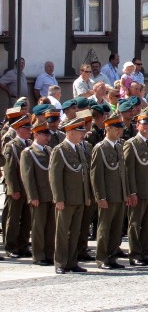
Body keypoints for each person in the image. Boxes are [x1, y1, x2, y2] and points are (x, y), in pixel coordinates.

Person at [48, 116, 92, 274]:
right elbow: (55, 176)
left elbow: (84, 175)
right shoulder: (59, 150)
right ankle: (60, 262)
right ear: (70, 132)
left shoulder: (79, 149)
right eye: (79, 131)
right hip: (66, 199)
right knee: (62, 232)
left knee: (75, 232)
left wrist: (86, 195)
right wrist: (58, 198)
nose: (83, 134)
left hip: (79, 198)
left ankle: (72, 261)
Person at [90, 113, 129, 269]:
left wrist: (125, 193)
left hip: (119, 195)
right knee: (104, 228)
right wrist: (100, 197)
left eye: (120, 129)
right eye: (116, 129)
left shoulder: (119, 146)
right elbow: (96, 175)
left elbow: (122, 173)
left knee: (116, 229)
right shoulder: (100, 148)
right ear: (108, 129)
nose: (119, 131)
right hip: (107, 195)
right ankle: (102, 258)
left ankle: (112, 256)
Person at [124, 112, 148, 266]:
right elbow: (128, 170)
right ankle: (135, 254)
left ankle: (144, 252)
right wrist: (131, 192)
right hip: (138, 191)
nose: (146, 127)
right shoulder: (131, 143)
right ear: (137, 125)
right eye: (143, 124)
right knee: (135, 223)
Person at [21, 121, 55, 265]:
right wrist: (32, 196)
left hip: (50, 195)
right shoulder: (28, 152)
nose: (47, 137)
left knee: (50, 226)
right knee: (38, 227)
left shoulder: (49, 150)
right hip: (39, 196)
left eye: (48, 135)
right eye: (44, 134)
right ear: (36, 134)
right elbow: (27, 176)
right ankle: (39, 256)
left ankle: (49, 253)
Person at [3, 115, 33, 258]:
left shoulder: (29, 144)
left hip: (28, 188)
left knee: (27, 218)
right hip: (17, 187)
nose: (30, 131)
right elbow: (9, 169)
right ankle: (11, 246)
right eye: (27, 128)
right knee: (13, 218)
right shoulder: (12, 146)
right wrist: (13, 188)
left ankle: (23, 245)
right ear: (20, 129)